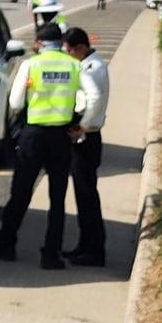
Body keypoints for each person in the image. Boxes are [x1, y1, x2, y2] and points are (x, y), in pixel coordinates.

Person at [0, 22, 81, 269]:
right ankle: (51, 254)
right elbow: (83, 102)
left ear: (39, 43)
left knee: (20, 193)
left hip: (34, 134)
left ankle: (6, 245)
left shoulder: (31, 64)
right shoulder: (74, 65)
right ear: (60, 42)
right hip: (62, 136)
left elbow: (16, 102)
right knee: (57, 197)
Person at [63, 26, 109, 266]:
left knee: (87, 195)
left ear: (81, 47)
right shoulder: (87, 64)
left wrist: (82, 125)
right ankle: (84, 244)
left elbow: (94, 99)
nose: (67, 54)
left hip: (88, 137)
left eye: (69, 50)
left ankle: (95, 250)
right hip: (84, 137)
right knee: (82, 196)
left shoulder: (93, 68)